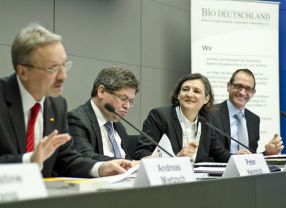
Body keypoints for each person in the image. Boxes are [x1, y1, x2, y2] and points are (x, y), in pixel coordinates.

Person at [0, 23, 133, 178]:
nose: (63, 76)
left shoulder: (57, 105)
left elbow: (66, 160)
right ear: (23, 72)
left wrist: (100, 167)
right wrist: (29, 160)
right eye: (53, 68)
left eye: (64, 66)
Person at [134, 73, 231, 162]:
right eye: (185, 89)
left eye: (196, 91)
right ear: (178, 94)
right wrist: (176, 160)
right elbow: (142, 153)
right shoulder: (160, 116)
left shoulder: (206, 122)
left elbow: (221, 154)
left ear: (206, 99)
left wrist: (241, 159)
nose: (189, 94)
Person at [68, 66, 139, 160]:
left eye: (131, 101)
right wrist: (128, 163)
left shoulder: (119, 127)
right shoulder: (77, 120)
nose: (127, 106)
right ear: (101, 92)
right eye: (123, 99)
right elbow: (85, 158)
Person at [209, 68, 283, 155]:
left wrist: (267, 153)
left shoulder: (254, 119)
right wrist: (234, 158)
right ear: (229, 86)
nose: (242, 92)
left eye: (248, 89)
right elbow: (206, 153)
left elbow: (250, 157)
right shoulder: (210, 113)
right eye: (238, 86)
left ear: (253, 93)